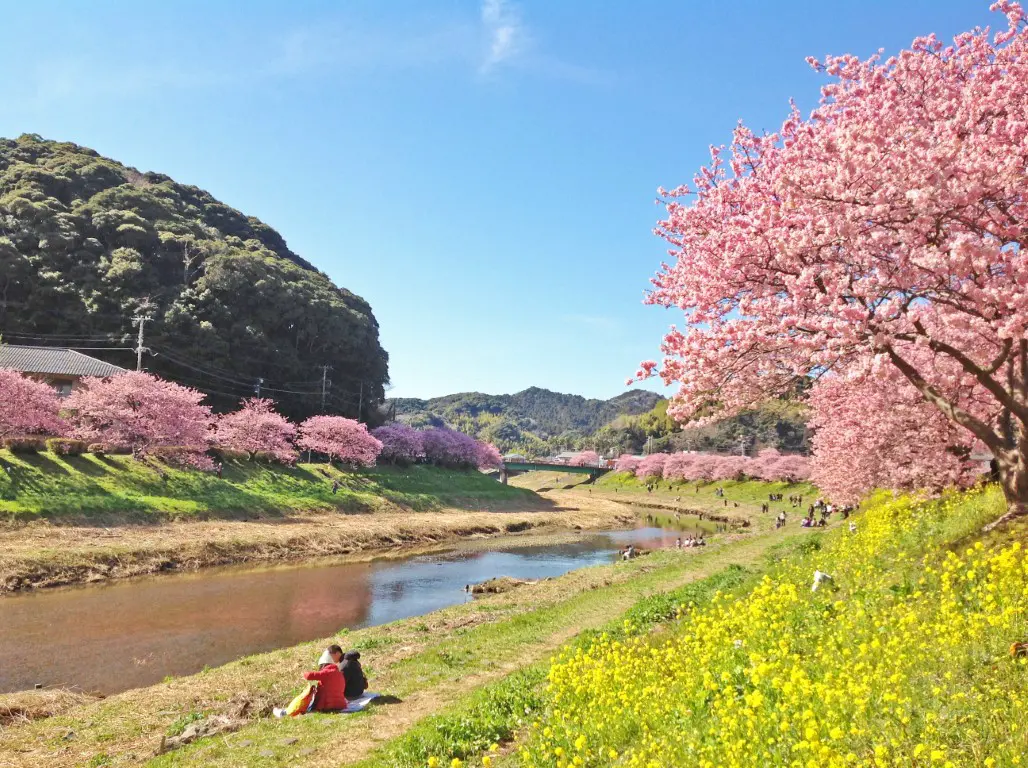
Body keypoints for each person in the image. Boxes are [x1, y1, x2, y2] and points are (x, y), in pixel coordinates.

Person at [303, 646, 348, 711]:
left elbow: (308, 675)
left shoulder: (326, 673)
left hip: (327, 706)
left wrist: (303, 673)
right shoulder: (339, 673)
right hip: (341, 705)